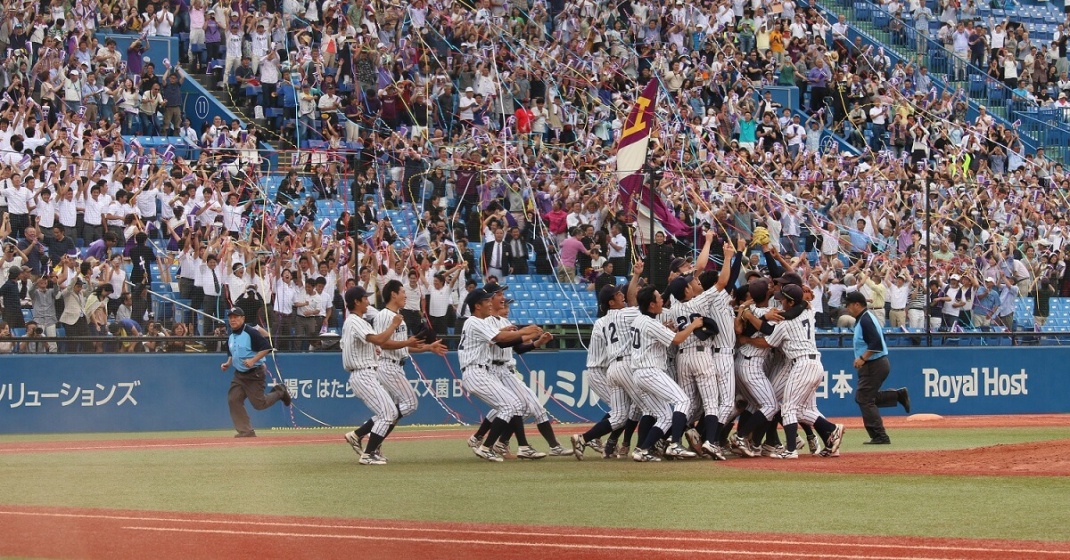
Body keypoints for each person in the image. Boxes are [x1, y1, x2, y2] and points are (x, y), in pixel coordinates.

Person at [343, 280, 448, 456]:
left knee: (390, 411)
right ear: (393, 294)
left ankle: (366, 439)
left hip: (393, 364)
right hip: (386, 365)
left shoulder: (397, 316)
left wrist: (428, 347)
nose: (405, 295)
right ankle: (364, 438)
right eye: (402, 291)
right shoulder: (385, 316)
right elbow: (383, 343)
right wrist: (407, 341)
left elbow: (402, 346)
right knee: (408, 404)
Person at [341, 286, 420, 465]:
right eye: (365, 298)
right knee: (389, 412)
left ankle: (362, 441)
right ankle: (368, 454)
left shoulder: (355, 321)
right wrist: (393, 325)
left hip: (367, 372)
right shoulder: (355, 321)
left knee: (389, 411)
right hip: (362, 374)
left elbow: (372, 344)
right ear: (357, 301)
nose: (368, 302)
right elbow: (378, 340)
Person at [843, 291, 911, 445]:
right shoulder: (864, 318)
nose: (847, 308)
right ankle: (897, 395)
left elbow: (876, 344)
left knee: (864, 398)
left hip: (874, 364)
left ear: (857, 304)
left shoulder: (865, 320)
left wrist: (862, 358)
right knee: (866, 397)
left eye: (848, 305)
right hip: (877, 364)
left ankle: (880, 436)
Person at [220, 307, 291, 438]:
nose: (233, 320)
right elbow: (232, 352)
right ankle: (246, 431)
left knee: (259, 404)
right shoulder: (231, 336)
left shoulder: (251, 332)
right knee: (233, 399)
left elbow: (267, 347)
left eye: (236, 317)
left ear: (243, 318)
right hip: (239, 374)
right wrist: (228, 363)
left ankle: (280, 391)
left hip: (254, 374)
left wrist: (253, 360)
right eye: (230, 317)